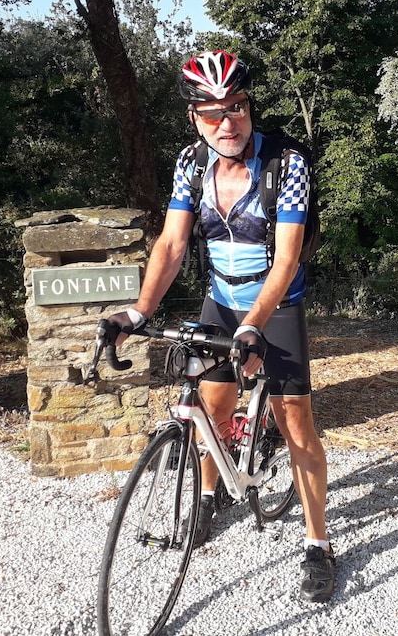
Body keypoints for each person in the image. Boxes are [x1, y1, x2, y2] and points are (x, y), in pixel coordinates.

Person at [105, 50, 335, 603]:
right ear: (194, 117)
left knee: (296, 422)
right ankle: (209, 497)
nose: (227, 122)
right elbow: (172, 243)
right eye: (212, 112)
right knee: (210, 408)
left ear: (249, 107)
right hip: (222, 301)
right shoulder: (191, 164)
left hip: (276, 305)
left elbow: (287, 260)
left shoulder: (286, 163)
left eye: (237, 107)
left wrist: (255, 325)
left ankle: (318, 543)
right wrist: (137, 311)